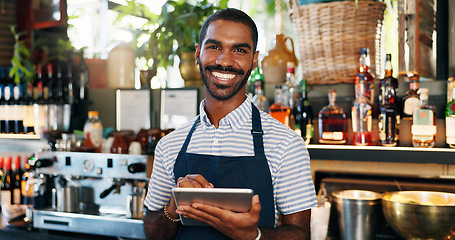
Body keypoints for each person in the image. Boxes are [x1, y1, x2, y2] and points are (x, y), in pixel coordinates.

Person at [143, 8, 317, 240]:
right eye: (214, 47)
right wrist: (174, 207)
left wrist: (251, 236)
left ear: (254, 59)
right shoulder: (170, 145)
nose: (224, 61)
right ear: (198, 53)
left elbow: (300, 235)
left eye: (239, 50)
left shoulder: (286, 144)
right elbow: (153, 232)